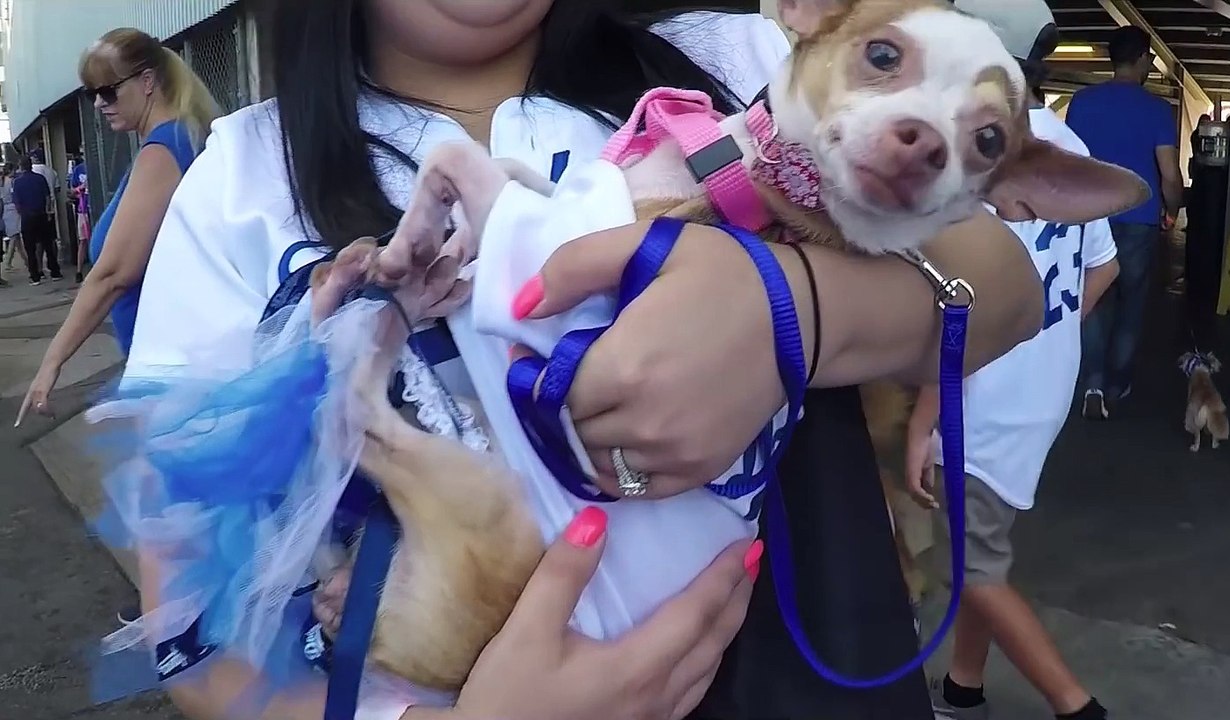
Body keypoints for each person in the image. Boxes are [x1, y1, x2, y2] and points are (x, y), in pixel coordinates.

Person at [114, 1, 1045, 718]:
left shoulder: (742, 65)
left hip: (779, 674)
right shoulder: (240, 176)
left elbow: (1005, 292)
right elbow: (188, 627)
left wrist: (789, 309)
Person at [910, 2, 1116, 717]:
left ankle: (1074, 704)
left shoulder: (978, 150)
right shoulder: (1065, 143)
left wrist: (921, 422)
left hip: (982, 399)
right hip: (1041, 389)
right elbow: (1105, 269)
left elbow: (960, 304)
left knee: (975, 569)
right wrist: (1047, 330)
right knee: (983, 555)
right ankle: (964, 685)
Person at [15, 28, 222, 425]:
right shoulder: (179, 138)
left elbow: (112, 274)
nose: (97, 104)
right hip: (180, 362)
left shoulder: (163, 150)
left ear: (147, 82)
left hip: (176, 370)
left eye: (107, 91)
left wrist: (52, 362)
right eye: (93, 92)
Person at [1065, 25, 1183, 420]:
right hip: (1138, 218)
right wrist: (1173, 208)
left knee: (1093, 300)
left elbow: (1071, 163)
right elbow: (1168, 173)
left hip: (1090, 216)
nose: (1151, 63)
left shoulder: (1082, 103)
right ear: (1140, 59)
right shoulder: (1155, 110)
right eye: (1150, 57)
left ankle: (1093, 382)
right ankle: (1117, 383)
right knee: (1131, 302)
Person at [10, 159, 60, 285]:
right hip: (42, 214)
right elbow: (47, 197)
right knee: (48, 244)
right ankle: (54, 271)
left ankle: (35, 275)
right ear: (31, 166)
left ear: (21, 166)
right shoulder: (40, 179)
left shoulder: (17, 182)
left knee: (30, 248)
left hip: (27, 217)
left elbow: (17, 203)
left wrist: (22, 213)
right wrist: (48, 211)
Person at [70, 151, 91, 282]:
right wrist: (79, 189)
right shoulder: (78, 169)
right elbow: (71, 190)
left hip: (94, 207)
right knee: (83, 240)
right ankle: (79, 271)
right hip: (83, 209)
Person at [0, 167, 18, 280]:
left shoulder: (2, 182)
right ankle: (8, 261)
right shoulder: (10, 182)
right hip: (11, 208)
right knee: (14, 235)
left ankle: (10, 261)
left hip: (5, 209)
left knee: (15, 236)